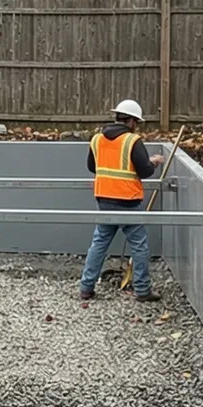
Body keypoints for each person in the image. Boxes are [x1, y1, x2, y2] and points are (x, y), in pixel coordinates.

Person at [79, 98, 159, 302]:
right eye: (136, 122)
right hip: (128, 201)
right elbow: (145, 171)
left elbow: (92, 167)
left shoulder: (97, 139)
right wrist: (153, 162)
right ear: (131, 121)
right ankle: (143, 290)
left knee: (99, 244)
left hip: (104, 200)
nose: (136, 126)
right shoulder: (132, 141)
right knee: (139, 246)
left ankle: (86, 287)